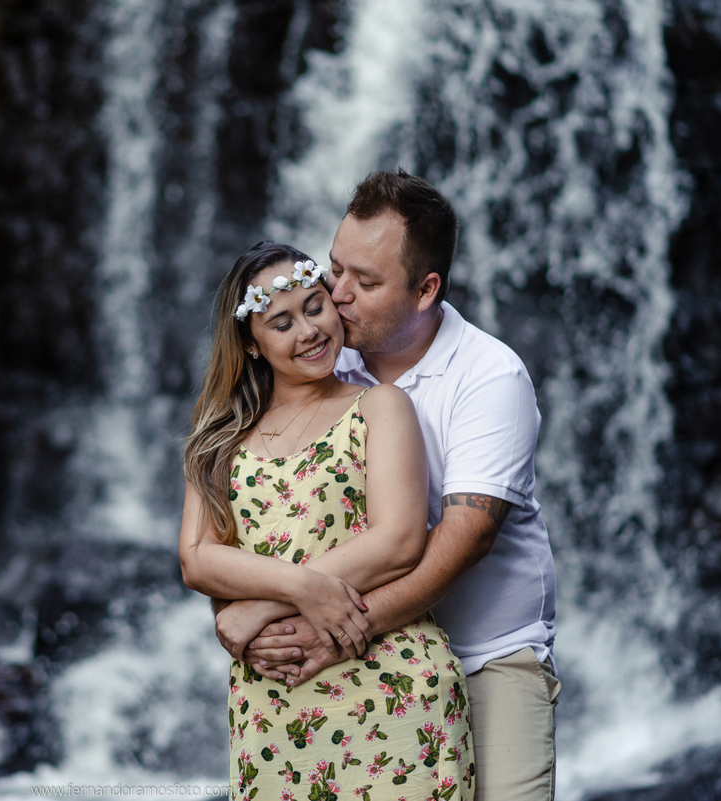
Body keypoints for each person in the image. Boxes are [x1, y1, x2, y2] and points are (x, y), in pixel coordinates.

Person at [215, 171, 560, 801]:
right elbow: (255, 502)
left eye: (366, 283)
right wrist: (245, 612)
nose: (336, 295)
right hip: (358, 660)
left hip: (483, 655)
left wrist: (318, 627)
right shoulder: (319, 354)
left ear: (425, 289)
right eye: (335, 268)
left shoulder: (489, 376)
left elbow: (463, 541)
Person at [179, 241, 474, 801]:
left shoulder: (379, 405)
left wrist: (257, 609)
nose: (308, 331)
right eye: (281, 322)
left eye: (315, 307)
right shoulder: (216, 440)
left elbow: (400, 540)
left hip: (396, 692)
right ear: (251, 343)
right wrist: (297, 588)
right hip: (275, 707)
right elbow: (198, 559)